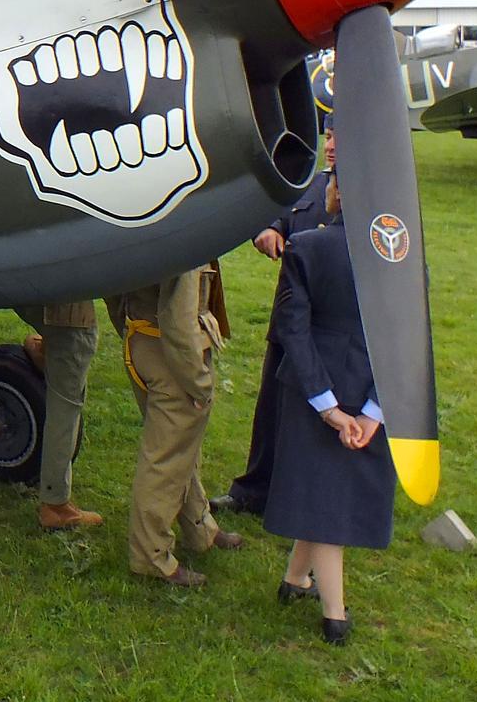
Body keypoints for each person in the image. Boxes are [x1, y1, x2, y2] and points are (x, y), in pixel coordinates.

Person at [262, 176, 393, 646]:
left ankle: (334, 613)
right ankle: (296, 579)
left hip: (312, 386)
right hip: (371, 383)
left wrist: (327, 407)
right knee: (324, 489)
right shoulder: (399, 255)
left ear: (335, 195)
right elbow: (405, 338)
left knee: (325, 501)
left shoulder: (306, 247)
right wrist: (376, 411)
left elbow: (293, 331)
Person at [216, 119, 338, 516]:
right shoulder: (310, 184)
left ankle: (314, 502)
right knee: (271, 412)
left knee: (323, 416)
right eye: (330, 135)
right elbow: (275, 217)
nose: (333, 146)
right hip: (289, 325)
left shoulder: (373, 194)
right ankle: (254, 491)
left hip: (333, 333)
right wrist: (268, 230)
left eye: (343, 137)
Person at [107, 261, 241, 586]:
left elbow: (110, 285)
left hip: (143, 341)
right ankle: (152, 556)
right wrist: (198, 382)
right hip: (174, 358)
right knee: (165, 461)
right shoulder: (185, 227)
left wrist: (131, 332)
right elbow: (178, 319)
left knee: (178, 449)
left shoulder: (141, 223)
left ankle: (200, 528)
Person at [16, 302, 102, 530]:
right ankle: (56, 506)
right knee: (74, 342)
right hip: (66, 310)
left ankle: (48, 348)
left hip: (34, 292)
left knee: (68, 335)